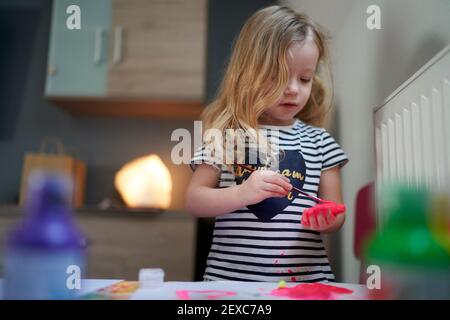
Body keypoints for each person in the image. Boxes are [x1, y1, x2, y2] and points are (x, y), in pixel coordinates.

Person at [185, 5, 348, 282]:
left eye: (304, 78)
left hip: (306, 283)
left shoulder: (321, 142)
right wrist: (243, 193)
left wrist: (327, 218)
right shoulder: (225, 137)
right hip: (231, 284)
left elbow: (335, 211)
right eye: (278, 75)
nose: (293, 89)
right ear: (249, 73)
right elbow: (194, 200)